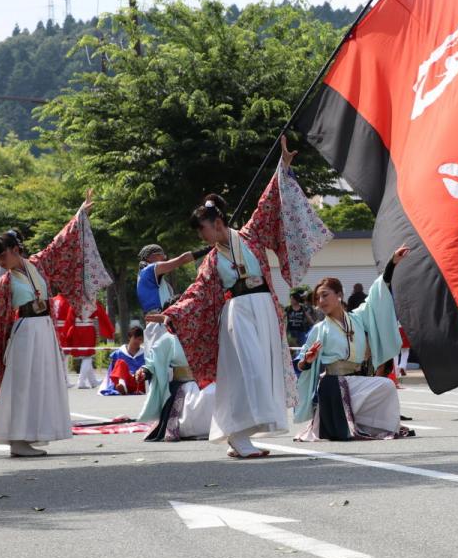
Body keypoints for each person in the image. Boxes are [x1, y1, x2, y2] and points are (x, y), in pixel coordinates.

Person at [154, 137, 330, 458]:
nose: (202, 237)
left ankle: (242, 436)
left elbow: (268, 202)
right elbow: (196, 294)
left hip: (263, 307)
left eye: (203, 230)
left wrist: (284, 166)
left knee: (261, 370)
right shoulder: (211, 260)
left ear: (217, 223)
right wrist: (174, 313)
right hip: (238, 314)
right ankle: (237, 435)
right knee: (247, 373)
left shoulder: (250, 235)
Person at [0, 192, 111, 457]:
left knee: (40, 383)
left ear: (15, 250)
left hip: (44, 330)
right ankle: (16, 439)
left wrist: (80, 215)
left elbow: (60, 243)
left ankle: (32, 434)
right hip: (25, 333)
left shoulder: (39, 264)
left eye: (1, 256)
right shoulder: (6, 282)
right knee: (21, 385)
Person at [294, 256, 410, 441]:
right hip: (333, 384)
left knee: (386, 386)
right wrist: (306, 360)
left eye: (325, 295)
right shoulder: (320, 329)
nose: (320, 301)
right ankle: (357, 423)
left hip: (356, 379)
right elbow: (300, 364)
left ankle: (377, 425)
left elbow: (376, 296)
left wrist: (391, 264)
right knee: (385, 385)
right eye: (317, 298)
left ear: (339, 295)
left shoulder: (357, 318)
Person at [137, 331, 216, 441]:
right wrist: (145, 371)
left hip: (207, 381)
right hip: (182, 383)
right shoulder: (170, 337)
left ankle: (218, 429)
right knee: (194, 398)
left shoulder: (206, 331)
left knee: (212, 392)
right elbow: (154, 360)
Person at [136, 243, 202, 349]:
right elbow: (183, 259)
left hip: (157, 322)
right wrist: (209, 248)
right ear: (151, 257)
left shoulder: (148, 276)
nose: (165, 259)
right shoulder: (150, 270)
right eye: (162, 256)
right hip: (158, 323)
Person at [63, 298, 113, 389]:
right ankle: (81, 381)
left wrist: (66, 332)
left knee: (86, 355)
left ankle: (93, 381)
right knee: (88, 356)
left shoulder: (75, 300)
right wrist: (109, 330)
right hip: (88, 330)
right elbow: (102, 315)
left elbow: (69, 318)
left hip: (77, 329)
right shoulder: (93, 301)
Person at [100, 326, 146, 395]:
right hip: (125, 380)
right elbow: (112, 371)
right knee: (120, 362)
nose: (137, 341)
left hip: (138, 382)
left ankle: (130, 389)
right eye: (135, 338)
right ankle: (122, 385)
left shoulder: (145, 354)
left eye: (140, 339)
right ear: (129, 337)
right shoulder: (118, 353)